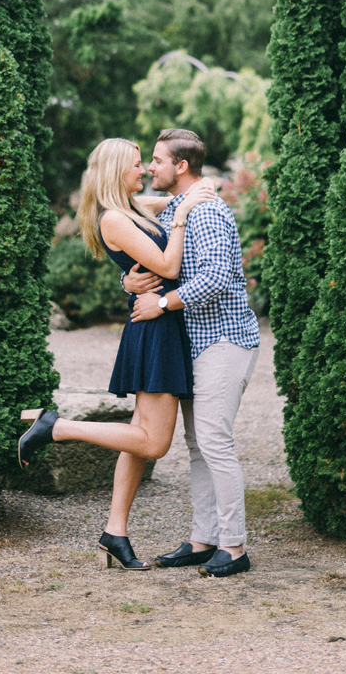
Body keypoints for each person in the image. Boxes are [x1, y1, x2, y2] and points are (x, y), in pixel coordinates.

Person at [17, 137, 214, 571]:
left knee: (138, 438)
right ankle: (59, 428)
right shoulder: (114, 220)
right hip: (157, 330)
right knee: (155, 442)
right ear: (115, 171)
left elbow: (166, 209)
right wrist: (180, 215)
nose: (143, 171)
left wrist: (187, 198)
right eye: (137, 165)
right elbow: (168, 266)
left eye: (146, 164)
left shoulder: (132, 209)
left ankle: (114, 533)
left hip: (156, 324)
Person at [128, 128, 260, 578]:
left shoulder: (206, 213)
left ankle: (235, 547)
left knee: (215, 443)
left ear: (181, 167)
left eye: (158, 161)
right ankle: (204, 541)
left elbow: (217, 277)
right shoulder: (182, 210)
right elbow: (151, 251)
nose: (150, 167)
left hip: (224, 340)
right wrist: (131, 283)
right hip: (194, 344)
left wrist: (162, 303)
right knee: (198, 446)